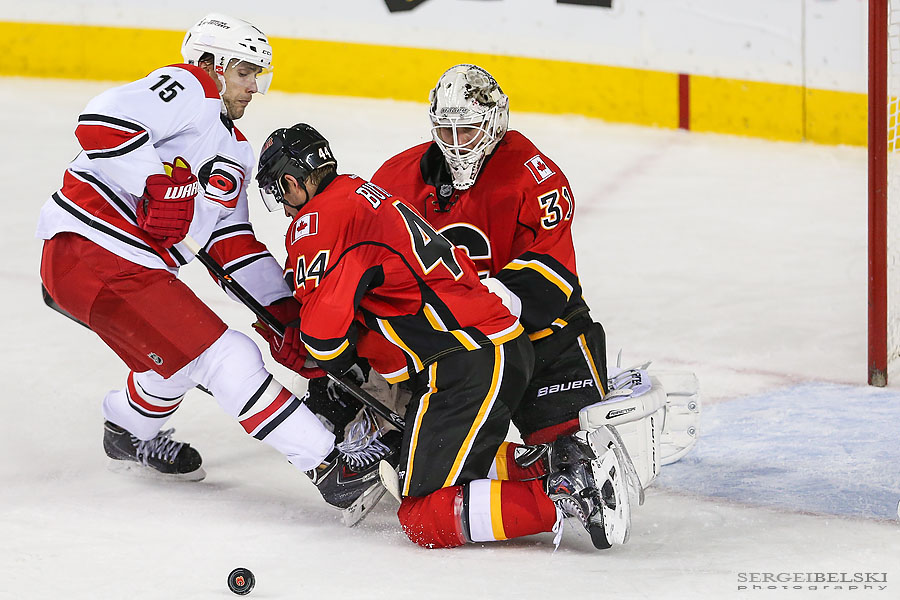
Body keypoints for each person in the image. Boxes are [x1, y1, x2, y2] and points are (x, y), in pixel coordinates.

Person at [35, 14, 392, 509]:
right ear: (212, 63)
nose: (252, 88)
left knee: (175, 362)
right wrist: (152, 180)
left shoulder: (235, 151)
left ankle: (126, 428)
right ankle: (330, 468)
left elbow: (231, 244)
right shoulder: (190, 86)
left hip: (121, 266)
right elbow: (101, 121)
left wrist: (287, 315)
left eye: (256, 76)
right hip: (94, 250)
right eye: (244, 73)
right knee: (226, 356)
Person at [254, 122, 634, 549]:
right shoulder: (362, 193)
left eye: (278, 192)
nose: (284, 207)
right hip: (492, 344)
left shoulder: (319, 220)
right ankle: (554, 467)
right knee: (437, 458)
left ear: (291, 180)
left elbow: (324, 338)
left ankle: (563, 498)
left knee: (422, 517)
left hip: (468, 359)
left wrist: (321, 357)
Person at [369, 64, 699, 487]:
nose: (455, 145)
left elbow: (551, 274)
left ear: (494, 123)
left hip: (540, 329)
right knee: (426, 450)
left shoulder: (534, 175)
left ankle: (606, 402)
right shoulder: (396, 178)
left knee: (571, 458)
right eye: (445, 132)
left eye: (467, 131)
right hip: (452, 341)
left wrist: (480, 304)